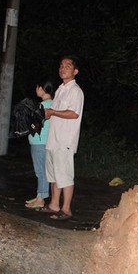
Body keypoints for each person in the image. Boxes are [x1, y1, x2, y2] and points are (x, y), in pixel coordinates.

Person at [39, 56, 84, 220]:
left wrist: (52, 112)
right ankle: (54, 204)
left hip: (65, 140)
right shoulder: (59, 90)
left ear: (75, 71)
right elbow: (52, 113)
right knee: (54, 175)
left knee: (64, 175)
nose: (63, 68)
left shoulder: (75, 91)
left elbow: (73, 113)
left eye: (68, 66)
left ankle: (66, 209)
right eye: (61, 65)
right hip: (53, 139)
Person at [25, 79, 55, 209]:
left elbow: (34, 125)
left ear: (42, 88)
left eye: (37, 87)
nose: (36, 89)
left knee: (41, 171)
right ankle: (39, 196)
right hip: (41, 142)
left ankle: (41, 199)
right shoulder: (49, 104)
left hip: (40, 142)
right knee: (41, 170)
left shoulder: (44, 106)